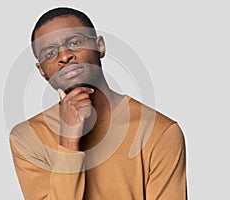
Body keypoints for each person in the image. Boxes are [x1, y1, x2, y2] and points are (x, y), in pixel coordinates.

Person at [10, 7, 187, 200]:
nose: (64, 56)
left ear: (100, 47)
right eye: (50, 53)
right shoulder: (26, 137)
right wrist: (69, 142)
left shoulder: (159, 132)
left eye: (75, 42)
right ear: (42, 71)